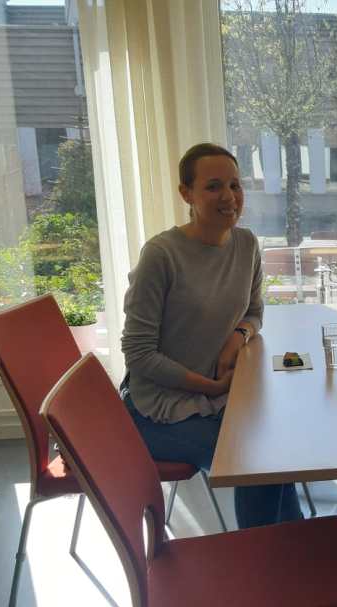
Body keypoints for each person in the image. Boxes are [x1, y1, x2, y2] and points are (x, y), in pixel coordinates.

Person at [121, 142, 303, 537]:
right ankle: (261, 559)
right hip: (156, 410)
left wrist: (238, 336)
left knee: (279, 444)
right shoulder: (161, 255)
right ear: (186, 193)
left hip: (220, 398)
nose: (229, 197)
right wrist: (210, 386)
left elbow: (254, 312)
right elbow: (138, 355)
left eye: (235, 185)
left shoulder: (246, 244)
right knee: (256, 458)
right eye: (213, 186)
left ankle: (290, 550)